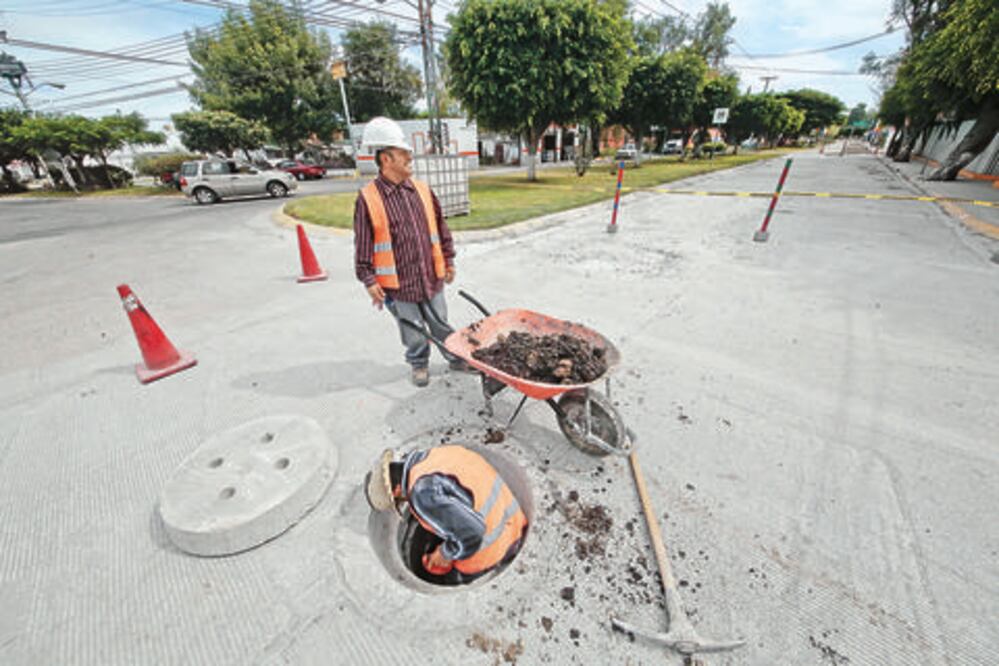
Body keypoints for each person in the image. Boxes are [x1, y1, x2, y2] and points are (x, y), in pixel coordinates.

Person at [353, 116, 468, 387]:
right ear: (385, 159)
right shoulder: (368, 198)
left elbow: (441, 229)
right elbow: (363, 245)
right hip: (399, 285)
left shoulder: (423, 191)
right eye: (403, 152)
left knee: (441, 322)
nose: (410, 157)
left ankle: (455, 358)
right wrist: (368, 280)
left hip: (430, 276)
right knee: (412, 330)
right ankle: (419, 363)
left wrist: (449, 260)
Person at [365, 445, 528, 584]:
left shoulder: (422, 494)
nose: (402, 502)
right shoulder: (431, 457)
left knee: (453, 578)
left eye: (397, 500)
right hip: (512, 517)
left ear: (396, 490)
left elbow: (473, 532)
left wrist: (443, 554)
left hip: (498, 544)